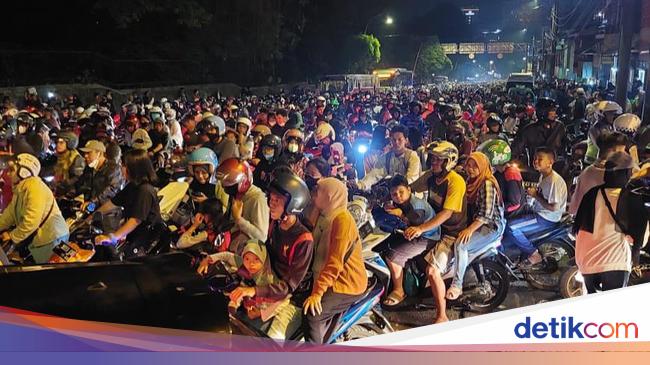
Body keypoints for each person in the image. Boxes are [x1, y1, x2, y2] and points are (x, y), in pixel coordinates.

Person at [407, 141, 468, 323]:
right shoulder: (431, 177)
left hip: (452, 233)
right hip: (435, 230)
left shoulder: (455, 181)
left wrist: (420, 229)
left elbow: (446, 214)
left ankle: (442, 315)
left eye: (437, 159)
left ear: (448, 161)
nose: (433, 162)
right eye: (432, 158)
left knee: (432, 271)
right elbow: (410, 188)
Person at [305, 178, 367, 343]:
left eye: (318, 192)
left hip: (345, 283)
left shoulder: (342, 221)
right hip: (324, 276)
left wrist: (317, 294)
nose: (313, 195)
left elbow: (334, 263)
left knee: (312, 316)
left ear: (330, 196)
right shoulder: (322, 213)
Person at [446, 152, 506, 300]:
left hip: (491, 226)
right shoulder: (471, 180)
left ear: (483, 167)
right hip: (478, 222)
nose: (470, 169)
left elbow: (486, 214)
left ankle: (457, 285)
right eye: (469, 165)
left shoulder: (487, 183)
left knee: (461, 245)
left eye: (475, 166)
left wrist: (469, 230)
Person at [573, 152, 634, 293]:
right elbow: (639, 238)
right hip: (614, 263)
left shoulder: (591, 194)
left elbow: (577, 226)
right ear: (626, 174)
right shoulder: (627, 198)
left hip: (586, 262)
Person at [378, 174, 440, 307]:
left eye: (401, 192)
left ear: (409, 190)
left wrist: (400, 213)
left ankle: (399, 291)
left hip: (428, 237)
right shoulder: (402, 202)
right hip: (414, 233)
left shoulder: (416, 206)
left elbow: (414, 221)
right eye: (394, 194)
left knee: (392, 256)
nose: (398, 196)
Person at [503, 148, 568, 266]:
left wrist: (535, 195)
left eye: (540, 159)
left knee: (511, 227)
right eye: (534, 159)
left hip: (546, 218)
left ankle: (533, 253)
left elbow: (554, 207)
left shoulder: (553, 181)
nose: (535, 161)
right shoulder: (543, 176)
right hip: (538, 212)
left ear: (550, 162)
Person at [0, 154, 69, 263]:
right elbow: (10, 214)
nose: (8, 173)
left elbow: (31, 221)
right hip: (43, 238)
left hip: (52, 238)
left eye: (12, 170)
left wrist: (12, 235)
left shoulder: (35, 188)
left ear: (23, 172)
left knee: (44, 275)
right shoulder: (21, 188)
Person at [94, 149, 163, 254]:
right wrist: (90, 217)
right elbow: (112, 203)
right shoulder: (132, 186)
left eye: (124, 165)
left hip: (146, 243)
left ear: (134, 168)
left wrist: (113, 237)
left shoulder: (145, 190)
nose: (121, 168)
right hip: (135, 237)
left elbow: (135, 220)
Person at [216, 158, 270, 254]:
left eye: (229, 185)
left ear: (243, 182)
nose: (225, 188)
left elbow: (262, 237)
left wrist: (239, 219)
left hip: (245, 253)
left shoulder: (257, 199)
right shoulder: (236, 194)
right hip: (231, 242)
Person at [569, 132, 628, 215]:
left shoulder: (588, 172)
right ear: (613, 151)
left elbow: (574, 208)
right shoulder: (613, 176)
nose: (625, 155)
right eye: (622, 151)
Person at [355, 125, 421, 190]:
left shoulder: (412, 156)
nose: (396, 142)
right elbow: (375, 174)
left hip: (409, 194)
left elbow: (411, 178)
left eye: (400, 139)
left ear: (406, 140)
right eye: (394, 140)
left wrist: (396, 184)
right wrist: (361, 185)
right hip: (394, 194)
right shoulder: (386, 157)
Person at [477, 139, 526, 218]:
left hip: (511, 215)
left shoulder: (511, 173)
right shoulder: (498, 172)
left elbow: (514, 204)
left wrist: (496, 208)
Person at [513, 98, 568, 167]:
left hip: (555, 169)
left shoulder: (560, 127)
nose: (555, 113)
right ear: (543, 112)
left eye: (555, 110)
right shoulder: (529, 130)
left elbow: (564, 148)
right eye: (552, 110)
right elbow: (516, 149)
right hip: (535, 171)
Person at [75, 140, 124, 209]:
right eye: (85, 153)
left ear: (99, 153)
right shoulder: (89, 168)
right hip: (91, 207)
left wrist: (92, 203)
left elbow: (111, 190)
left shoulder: (113, 169)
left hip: (108, 211)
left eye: (89, 153)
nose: (85, 156)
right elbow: (82, 184)